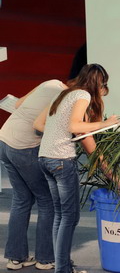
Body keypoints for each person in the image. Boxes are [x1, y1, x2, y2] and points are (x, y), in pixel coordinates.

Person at [34, 64, 120, 273]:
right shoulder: (82, 95)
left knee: (61, 215)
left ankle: (61, 266)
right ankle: (62, 269)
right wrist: (104, 123)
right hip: (62, 160)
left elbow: (41, 124)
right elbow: (74, 126)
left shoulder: (64, 94)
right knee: (69, 217)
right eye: (103, 85)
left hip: (45, 158)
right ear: (99, 82)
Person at [0, 80, 66, 270]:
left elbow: (19, 103)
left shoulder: (51, 83)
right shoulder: (68, 98)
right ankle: (45, 259)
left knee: (21, 199)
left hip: (4, 140)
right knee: (47, 200)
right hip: (22, 147)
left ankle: (15, 258)